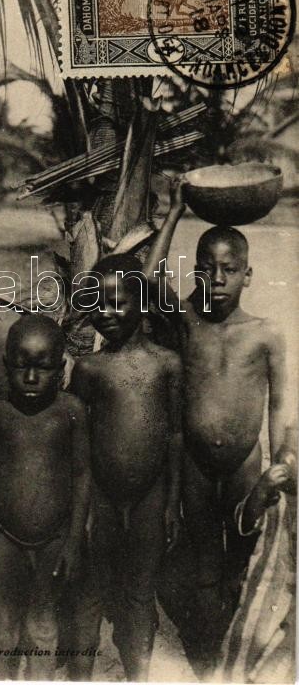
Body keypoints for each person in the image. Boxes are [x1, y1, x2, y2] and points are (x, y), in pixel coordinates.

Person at [145, 179, 294, 671]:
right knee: (206, 560)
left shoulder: (265, 335)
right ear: (197, 274)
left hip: (244, 464)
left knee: (244, 561)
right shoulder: (189, 321)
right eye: (207, 269)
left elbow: (278, 405)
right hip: (194, 464)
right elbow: (147, 281)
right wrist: (173, 212)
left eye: (230, 269)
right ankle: (210, 657)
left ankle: (242, 648)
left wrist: (280, 460)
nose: (218, 278)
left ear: (248, 275)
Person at [70, 251, 183, 681]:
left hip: (150, 496)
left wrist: (172, 502)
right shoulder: (89, 369)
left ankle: (138, 672)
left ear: (143, 304)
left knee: (139, 589)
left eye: (118, 301)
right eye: (97, 303)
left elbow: (173, 435)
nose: (106, 312)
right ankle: (79, 672)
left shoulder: (165, 364)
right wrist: (80, 508)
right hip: (100, 493)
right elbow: (78, 441)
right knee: (91, 589)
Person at [0, 314, 91, 680]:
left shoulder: (71, 412)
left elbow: (83, 475)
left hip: (54, 539)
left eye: (42, 368)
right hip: (5, 538)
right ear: (7, 365)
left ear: (60, 369)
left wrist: (74, 540)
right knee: (3, 623)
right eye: (21, 367)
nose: (29, 378)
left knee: (43, 619)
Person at [218, 454, 296, 683]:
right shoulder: (275, 499)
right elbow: (243, 522)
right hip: (261, 606)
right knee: (240, 664)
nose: (290, 460)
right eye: (286, 454)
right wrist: (261, 491)